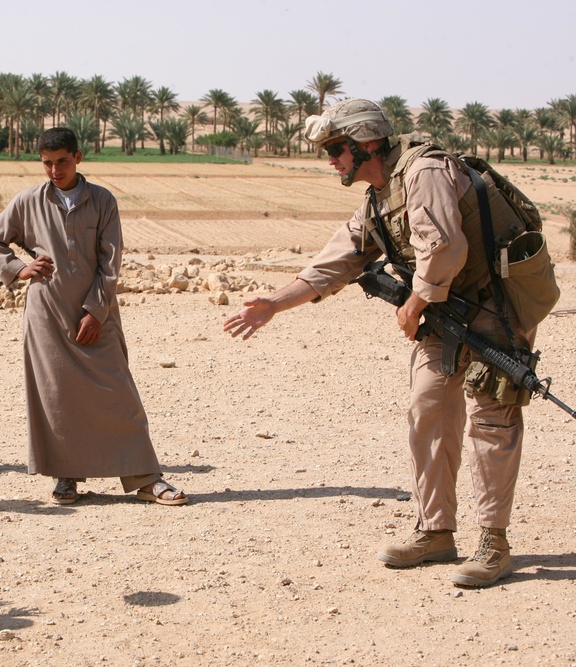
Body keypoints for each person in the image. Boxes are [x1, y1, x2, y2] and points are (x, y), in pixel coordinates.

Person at [223, 99, 532, 587]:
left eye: (334, 149)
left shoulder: (425, 172)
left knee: (492, 421)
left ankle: (494, 544)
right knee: (428, 410)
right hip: (446, 314)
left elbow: (446, 247)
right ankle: (436, 532)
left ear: (364, 142)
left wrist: (414, 303)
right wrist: (273, 305)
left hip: (494, 311)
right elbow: (336, 262)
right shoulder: (378, 198)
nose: (330, 161)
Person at [0, 127, 187, 506]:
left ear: (79, 157)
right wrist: (19, 268)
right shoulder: (28, 201)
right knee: (57, 396)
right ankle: (66, 476)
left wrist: (95, 311)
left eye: (62, 161)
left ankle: (146, 477)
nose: (55, 170)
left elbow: (110, 263)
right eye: (47, 163)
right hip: (47, 313)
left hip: (97, 311)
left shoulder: (103, 201)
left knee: (118, 393)